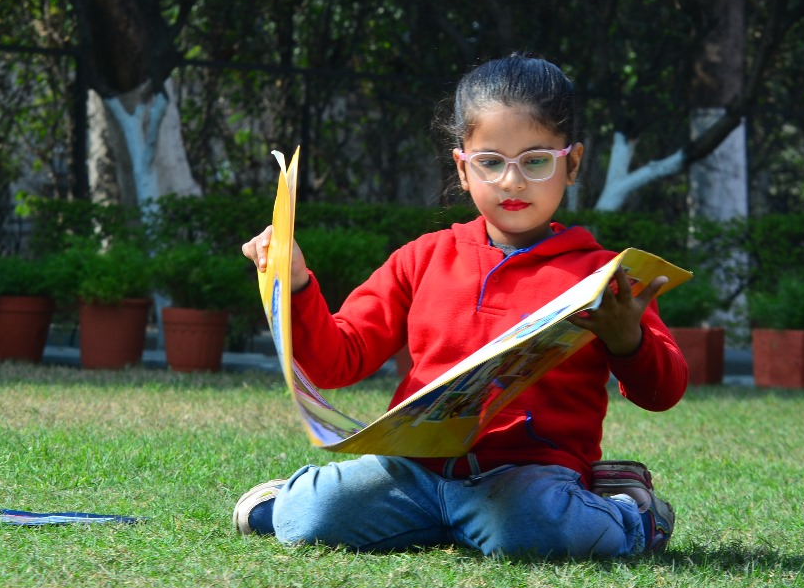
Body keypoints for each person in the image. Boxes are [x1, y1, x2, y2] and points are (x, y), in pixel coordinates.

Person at [234, 55, 688, 560]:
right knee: (308, 519)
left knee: (535, 530)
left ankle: (632, 512)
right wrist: (295, 283)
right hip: (413, 471)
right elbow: (338, 360)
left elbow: (664, 390)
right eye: (490, 162)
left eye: (535, 161)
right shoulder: (422, 258)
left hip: (529, 480)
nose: (511, 182)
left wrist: (629, 340)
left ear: (572, 164)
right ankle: (291, 501)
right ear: (462, 168)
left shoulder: (602, 276)